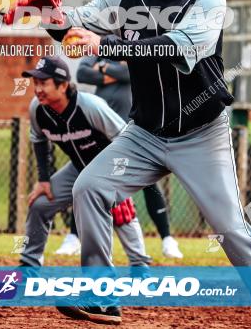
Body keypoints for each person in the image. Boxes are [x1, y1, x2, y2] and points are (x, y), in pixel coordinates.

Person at [7, 0, 251, 328]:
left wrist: (105, 42)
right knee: (89, 187)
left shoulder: (208, 0)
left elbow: (180, 46)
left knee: (230, 227)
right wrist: (50, 15)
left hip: (201, 135)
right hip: (143, 134)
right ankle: (100, 295)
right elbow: (77, 30)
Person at [17, 55, 152, 276]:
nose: (38, 89)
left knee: (120, 209)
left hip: (107, 167)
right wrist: (43, 180)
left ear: (62, 85)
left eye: (44, 83)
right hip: (78, 168)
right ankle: (29, 265)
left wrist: (119, 180)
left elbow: (125, 139)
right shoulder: (37, 109)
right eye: (36, 83)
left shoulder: (90, 105)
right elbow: (38, 140)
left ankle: (139, 266)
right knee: (40, 204)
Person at [53, 55, 182, 259]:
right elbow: (82, 73)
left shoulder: (134, 50)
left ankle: (167, 239)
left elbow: (131, 72)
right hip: (99, 131)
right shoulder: (99, 51)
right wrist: (114, 69)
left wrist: (103, 70)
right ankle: (74, 238)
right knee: (86, 180)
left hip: (131, 130)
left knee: (149, 184)